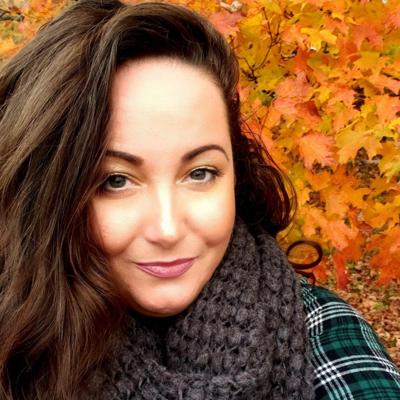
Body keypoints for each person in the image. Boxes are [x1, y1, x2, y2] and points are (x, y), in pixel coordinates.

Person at [0, 1, 399, 399]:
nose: (168, 229)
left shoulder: (323, 332)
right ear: (46, 194)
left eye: (200, 173)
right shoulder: (15, 339)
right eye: (116, 181)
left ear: (236, 174)